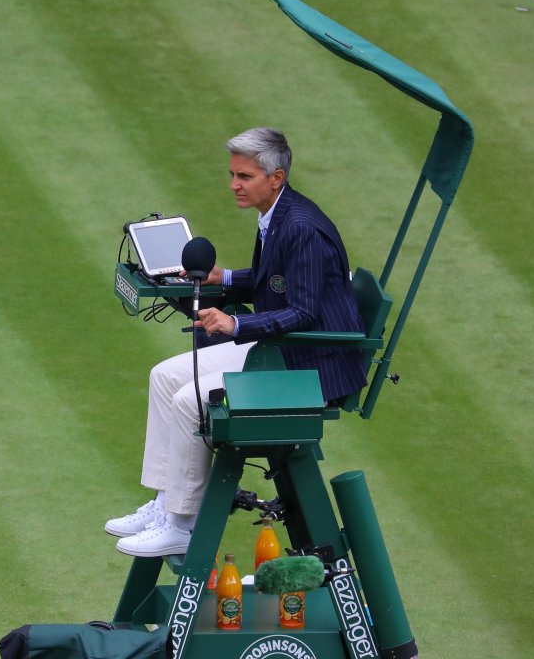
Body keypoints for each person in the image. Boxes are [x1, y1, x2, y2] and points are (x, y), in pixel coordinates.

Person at [106, 127, 367, 557]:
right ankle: (163, 504)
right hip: (286, 349)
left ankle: (181, 523)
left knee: (190, 399)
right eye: (233, 174)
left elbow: (303, 312)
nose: (234, 185)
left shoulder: (301, 228)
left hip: (311, 364)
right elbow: (276, 282)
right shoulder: (279, 215)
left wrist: (235, 324)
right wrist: (224, 278)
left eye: (244, 176)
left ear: (276, 178)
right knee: (165, 377)